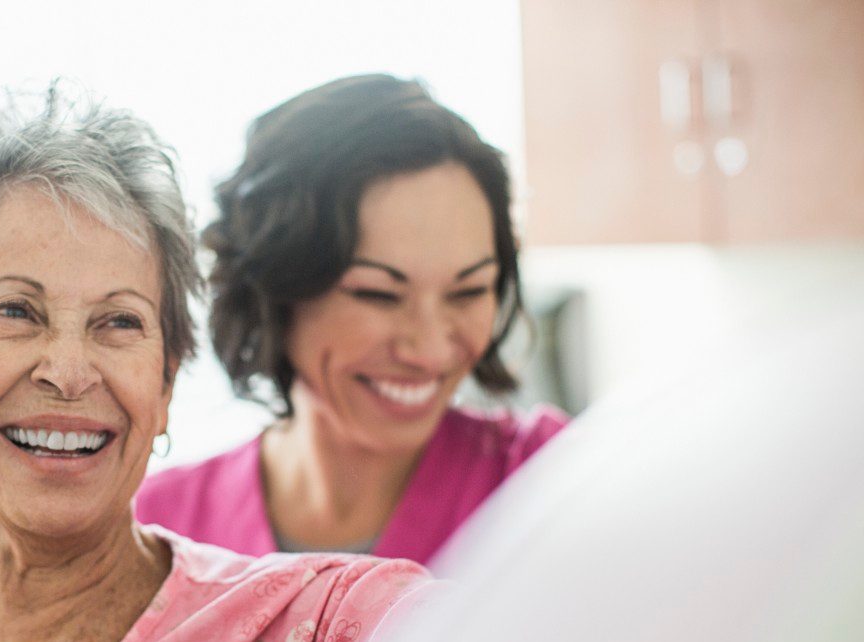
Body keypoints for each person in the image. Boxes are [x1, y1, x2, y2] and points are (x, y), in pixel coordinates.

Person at [0, 85, 440, 641]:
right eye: (16, 311)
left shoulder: (323, 620)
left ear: (166, 382)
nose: (69, 370)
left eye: (119, 322)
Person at [133, 74, 567, 561]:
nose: (428, 349)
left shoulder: (558, 481)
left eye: (467, 291)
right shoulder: (155, 530)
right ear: (274, 290)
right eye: (378, 294)